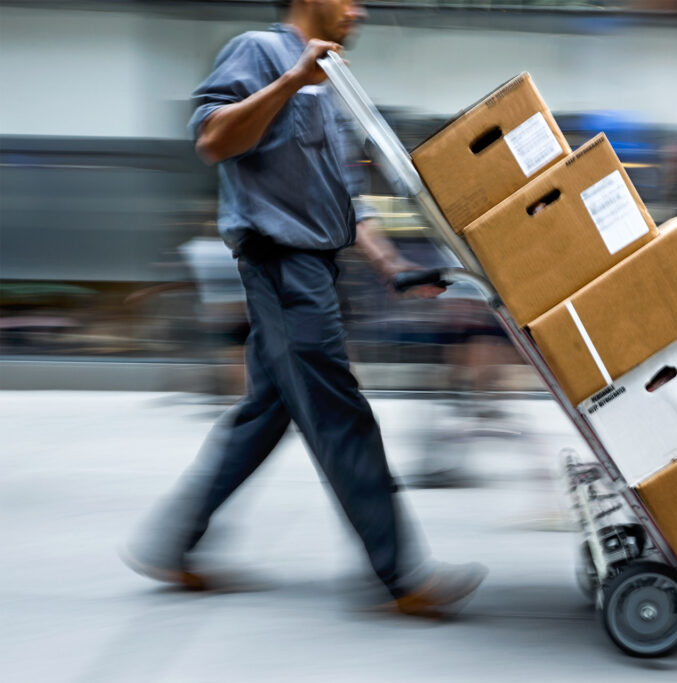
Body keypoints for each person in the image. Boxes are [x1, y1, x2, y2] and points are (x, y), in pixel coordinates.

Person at [123, 0, 487, 617]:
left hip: (315, 266)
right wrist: (292, 79)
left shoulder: (330, 84)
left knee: (265, 413)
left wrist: (391, 265)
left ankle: (170, 544)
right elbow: (212, 139)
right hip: (280, 263)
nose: (359, 10)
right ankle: (402, 573)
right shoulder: (258, 52)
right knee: (338, 409)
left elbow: (345, 196)